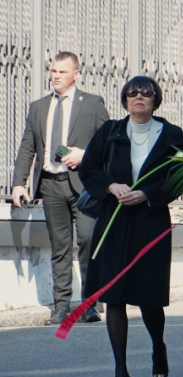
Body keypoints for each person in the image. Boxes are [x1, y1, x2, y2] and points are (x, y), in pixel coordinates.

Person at [79, 76, 183, 377]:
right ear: (124, 99)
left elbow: (178, 177)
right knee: (115, 296)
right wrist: (111, 186)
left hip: (150, 222)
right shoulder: (110, 131)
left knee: (149, 297)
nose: (139, 97)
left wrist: (148, 195)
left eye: (147, 92)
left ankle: (158, 349)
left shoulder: (171, 134)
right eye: (132, 92)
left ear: (156, 99)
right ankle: (121, 371)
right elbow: (88, 168)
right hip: (114, 220)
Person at [12, 52, 110, 325]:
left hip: (84, 185)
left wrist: (84, 154)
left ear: (76, 73)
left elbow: (108, 144)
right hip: (51, 185)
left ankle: (90, 304)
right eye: (53, 71)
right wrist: (19, 183)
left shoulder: (92, 104)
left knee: (89, 240)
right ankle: (62, 306)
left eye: (62, 72)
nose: (55, 76)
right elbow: (27, 146)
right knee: (59, 247)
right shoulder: (39, 107)